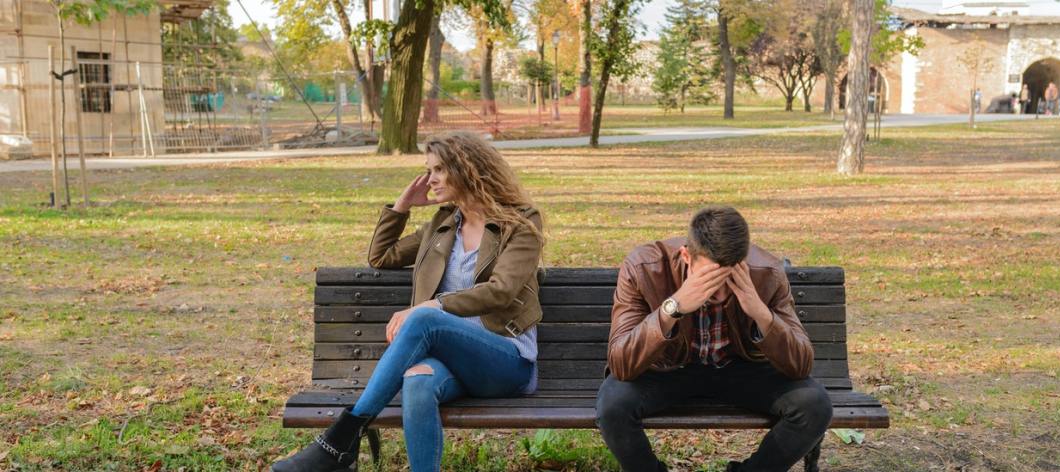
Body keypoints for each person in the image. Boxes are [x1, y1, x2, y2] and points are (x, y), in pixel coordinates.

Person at [273, 132, 545, 472]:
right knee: (417, 380)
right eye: (429, 169)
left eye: (440, 169)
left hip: (507, 360)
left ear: (468, 169)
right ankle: (350, 446)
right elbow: (381, 256)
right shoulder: (443, 225)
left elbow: (502, 290)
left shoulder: (519, 221)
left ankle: (343, 437)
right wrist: (401, 206)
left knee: (423, 319)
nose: (430, 179)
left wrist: (434, 306)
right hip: (453, 361)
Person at [596, 207, 831, 472]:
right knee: (613, 405)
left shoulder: (766, 272)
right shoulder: (643, 268)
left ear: (742, 264)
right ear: (687, 256)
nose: (717, 291)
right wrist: (672, 308)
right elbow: (621, 364)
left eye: (728, 279)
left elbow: (800, 366)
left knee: (814, 405)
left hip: (740, 368)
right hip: (666, 370)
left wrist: (760, 313)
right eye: (708, 278)